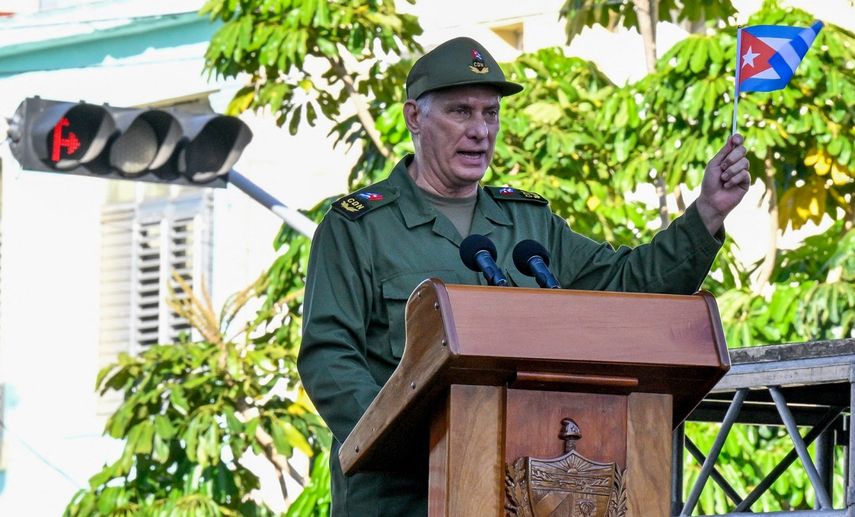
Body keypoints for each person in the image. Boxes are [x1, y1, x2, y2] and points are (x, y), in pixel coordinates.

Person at [297, 36, 750, 516]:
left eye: (490, 114)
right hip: (405, 497)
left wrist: (706, 213)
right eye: (460, 112)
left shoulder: (529, 224)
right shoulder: (360, 227)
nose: (479, 131)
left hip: (526, 492)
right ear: (414, 117)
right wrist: (414, 445)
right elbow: (330, 358)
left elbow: (625, 286)